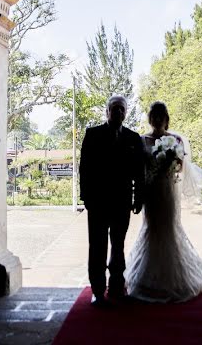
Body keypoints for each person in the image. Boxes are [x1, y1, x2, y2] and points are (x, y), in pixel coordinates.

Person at [124, 101, 202, 303]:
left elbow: (181, 168)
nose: (157, 119)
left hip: (168, 193)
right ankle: (146, 278)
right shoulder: (142, 141)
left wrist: (169, 161)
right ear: (150, 118)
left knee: (169, 230)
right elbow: (139, 170)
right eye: (154, 116)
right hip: (150, 193)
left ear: (166, 119)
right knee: (151, 229)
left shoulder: (175, 140)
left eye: (161, 116)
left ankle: (173, 279)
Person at [78, 94, 145, 307]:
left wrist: (139, 198)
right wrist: (86, 197)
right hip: (97, 201)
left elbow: (139, 172)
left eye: (122, 109)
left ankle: (117, 287)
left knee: (118, 246)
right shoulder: (93, 134)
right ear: (107, 111)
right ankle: (97, 290)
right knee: (97, 246)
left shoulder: (134, 138)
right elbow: (85, 168)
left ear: (126, 112)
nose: (118, 112)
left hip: (122, 201)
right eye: (114, 108)